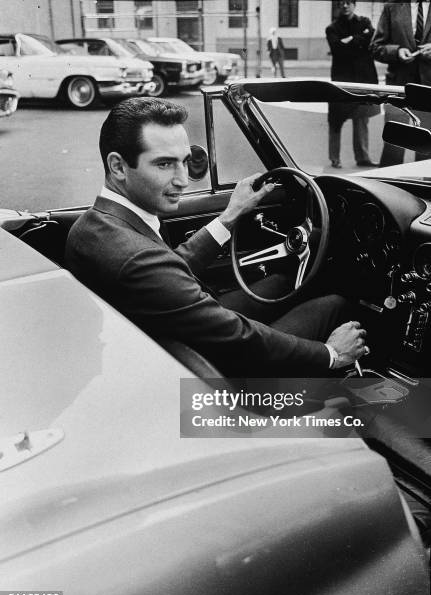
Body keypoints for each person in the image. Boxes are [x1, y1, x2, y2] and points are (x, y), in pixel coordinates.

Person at [65, 97, 368, 379]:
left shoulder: (91, 227)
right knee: (334, 303)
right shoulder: (136, 259)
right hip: (216, 370)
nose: (183, 180)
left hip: (173, 342)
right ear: (118, 166)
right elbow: (240, 337)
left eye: (185, 161)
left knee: (285, 282)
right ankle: (372, 397)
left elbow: (167, 270)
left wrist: (230, 216)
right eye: (164, 164)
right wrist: (330, 354)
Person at [371, 0, 431, 166]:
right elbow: (376, 47)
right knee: (393, 148)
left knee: (427, 152)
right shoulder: (393, 6)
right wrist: (396, 52)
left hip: (429, 89)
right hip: (399, 87)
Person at [325, 0, 379, 169]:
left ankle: (363, 157)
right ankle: (335, 158)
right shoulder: (332, 28)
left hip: (363, 78)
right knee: (335, 119)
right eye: (341, 3)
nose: (345, 6)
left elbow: (371, 38)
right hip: (342, 80)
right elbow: (337, 48)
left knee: (361, 118)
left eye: (348, 2)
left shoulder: (365, 22)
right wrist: (359, 41)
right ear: (338, 6)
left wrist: (350, 40)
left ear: (354, 4)